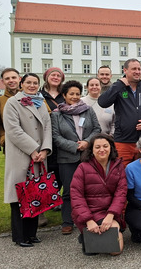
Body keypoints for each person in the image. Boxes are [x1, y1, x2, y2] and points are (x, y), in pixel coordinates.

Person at [3, 73, 52, 247]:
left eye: (35, 83)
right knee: (20, 196)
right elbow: (13, 130)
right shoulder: (12, 103)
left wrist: (45, 149)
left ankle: (32, 234)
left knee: (35, 194)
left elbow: (47, 127)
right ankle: (20, 236)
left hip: (39, 156)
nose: (32, 85)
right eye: (28, 82)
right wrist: (32, 150)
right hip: (21, 155)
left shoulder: (40, 101)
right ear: (21, 84)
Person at [52, 80, 101, 235]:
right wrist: (74, 146)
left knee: (90, 189)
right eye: (71, 94)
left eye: (77, 94)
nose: (74, 97)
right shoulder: (57, 114)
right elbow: (55, 136)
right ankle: (67, 221)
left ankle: (89, 218)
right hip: (67, 158)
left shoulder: (87, 110)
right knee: (69, 190)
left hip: (87, 156)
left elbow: (97, 129)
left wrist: (87, 142)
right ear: (64, 95)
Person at [98, 59, 141, 167]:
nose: (137, 71)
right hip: (123, 141)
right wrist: (118, 84)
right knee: (121, 173)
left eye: (139, 69)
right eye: (134, 69)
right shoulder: (118, 87)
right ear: (125, 70)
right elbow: (103, 102)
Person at [70, 134, 126, 255]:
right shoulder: (82, 167)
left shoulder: (118, 166)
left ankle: (94, 237)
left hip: (109, 212)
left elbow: (121, 193)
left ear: (111, 148)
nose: (102, 150)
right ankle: (87, 235)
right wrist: (88, 220)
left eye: (105, 146)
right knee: (96, 251)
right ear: (92, 150)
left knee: (114, 251)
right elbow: (76, 197)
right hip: (89, 212)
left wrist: (111, 214)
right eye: (97, 147)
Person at [0, 68, 21, 148]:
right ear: (3, 82)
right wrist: (3, 140)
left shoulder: (29, 97)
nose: (11, 80)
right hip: (10, 145)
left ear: (19, 79)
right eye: (7, 78)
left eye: (13, 77)